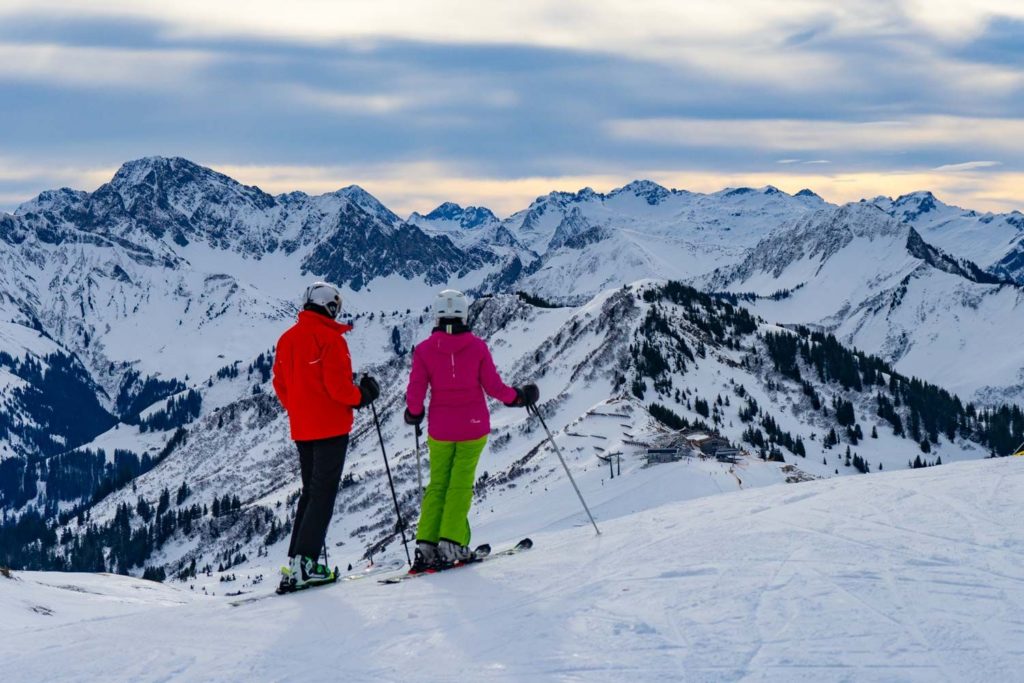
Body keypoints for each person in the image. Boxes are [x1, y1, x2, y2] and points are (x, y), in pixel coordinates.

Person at [404, 289, 538, 572]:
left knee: (438, 484)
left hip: (439, 430)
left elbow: (415, 392)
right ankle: (452, 541)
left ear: (438, 316)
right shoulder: (477, 347)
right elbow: (494, 387)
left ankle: (427, 545)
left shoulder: (425, 350)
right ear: (464, 314)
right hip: (473, 427)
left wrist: (414, 413)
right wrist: (519, 397)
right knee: (460, 484)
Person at [272, 281, 380, 590]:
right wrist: (363, 395)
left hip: (303, 428)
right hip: (331, 428)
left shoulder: (287, 339)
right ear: (330, 306)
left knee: (309, 493)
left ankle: (296, 563)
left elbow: (280, 384)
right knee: (322, 496)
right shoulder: (330, 340)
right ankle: (305, 564)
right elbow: (338, 389)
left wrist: (299, 408)